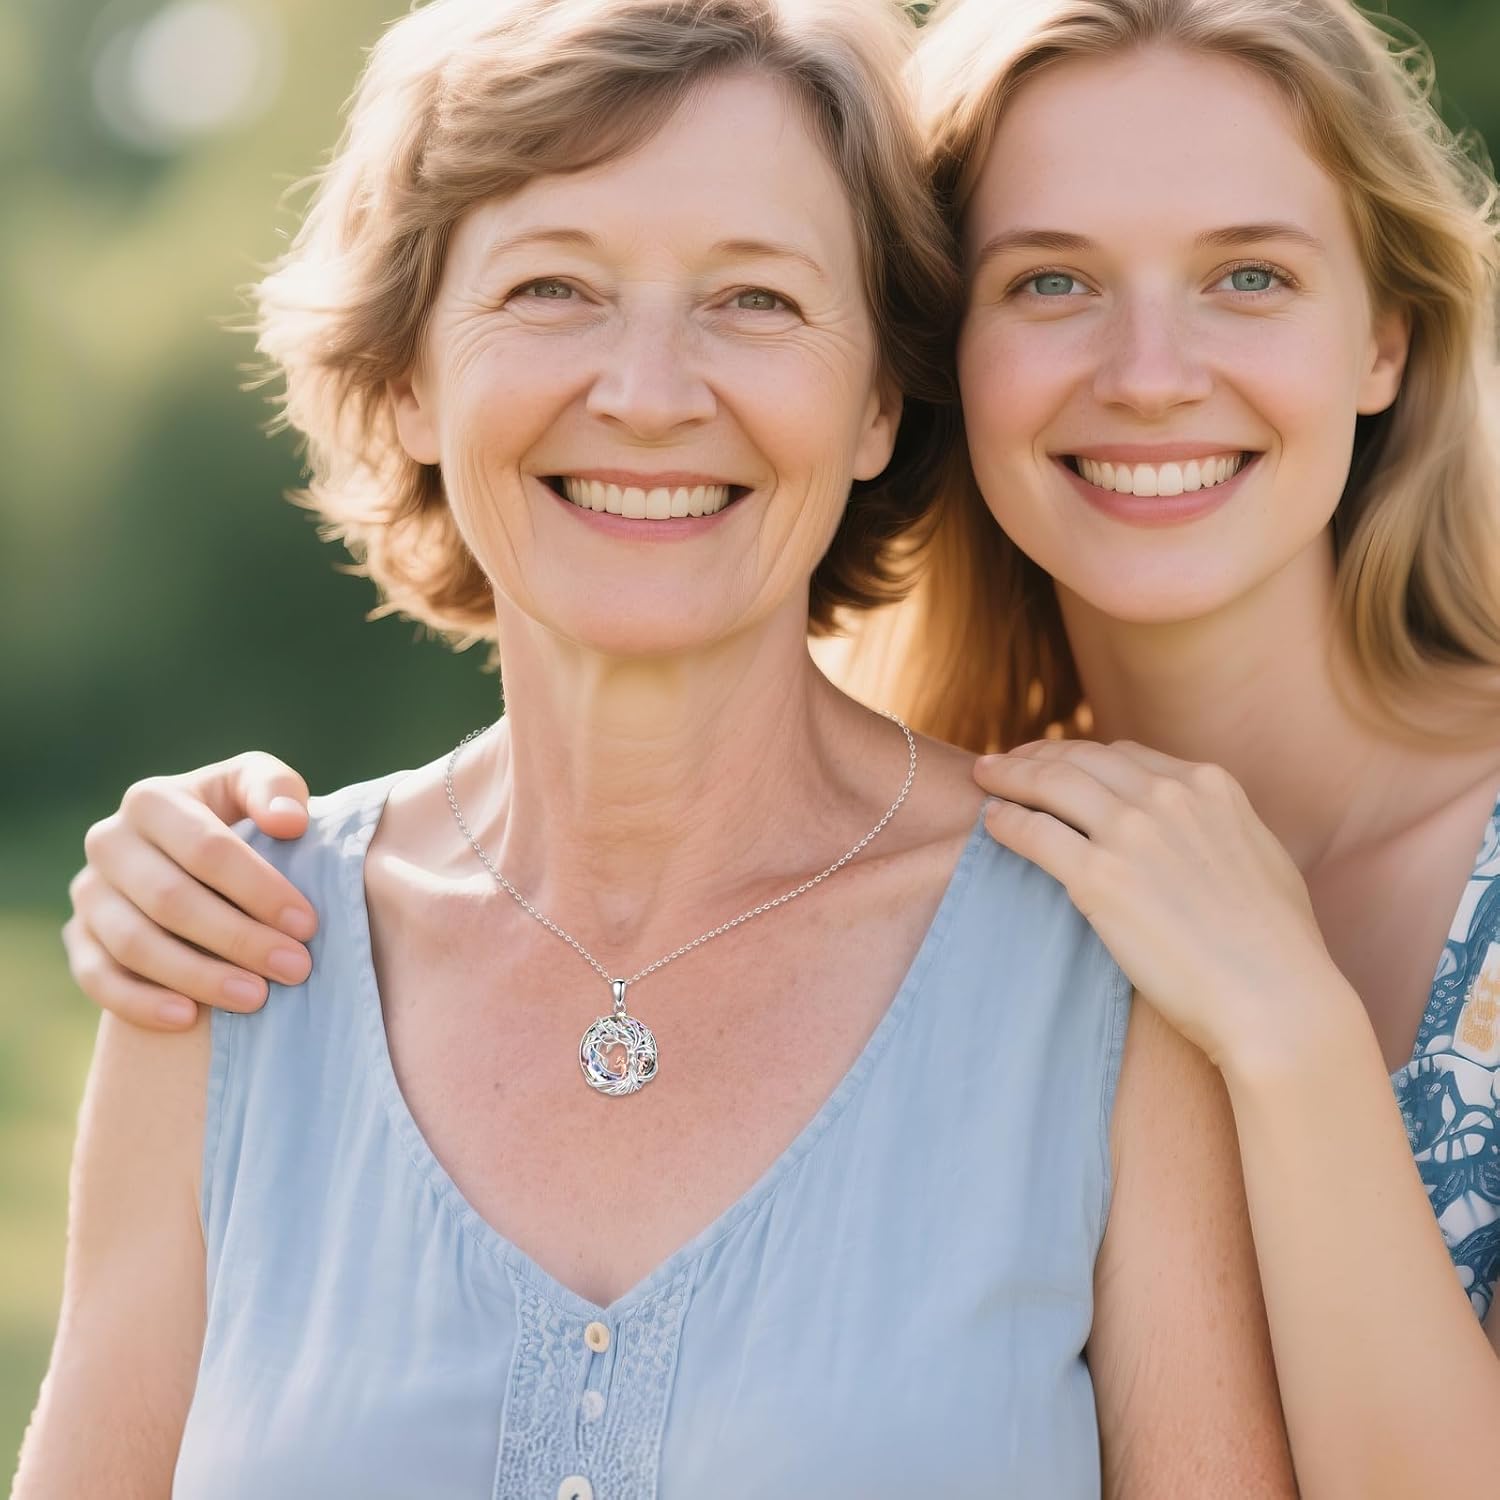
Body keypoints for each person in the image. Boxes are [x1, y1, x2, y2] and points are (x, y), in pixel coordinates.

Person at [16, 0, 1297, 1495]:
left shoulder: (1103, 956)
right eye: (554, 287)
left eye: (754, 300)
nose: (646, 391)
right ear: (409, 376)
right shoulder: (225, 951)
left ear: (880, 395)